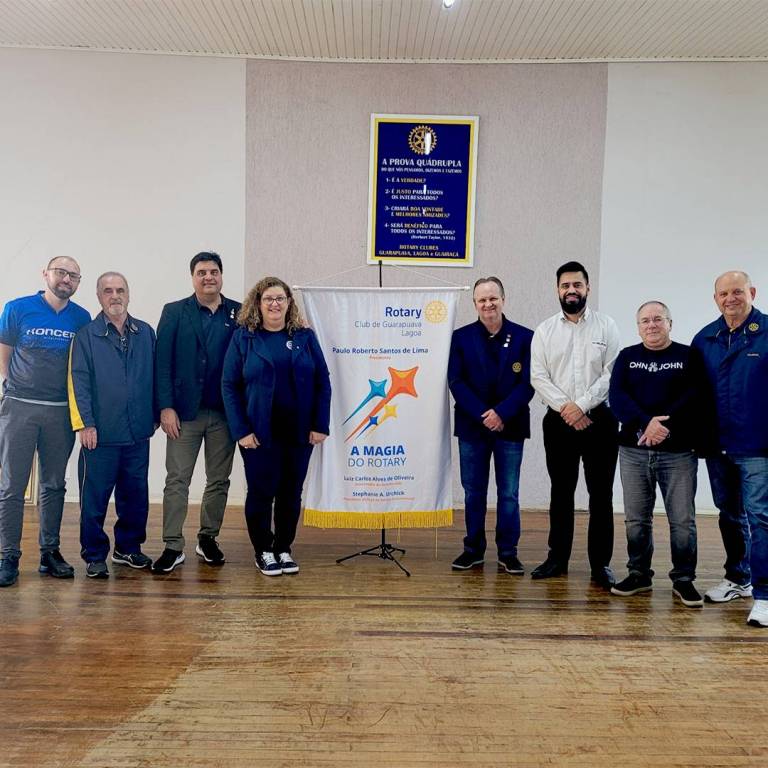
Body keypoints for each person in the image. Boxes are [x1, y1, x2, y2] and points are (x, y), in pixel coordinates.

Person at [222, 276, 331, 576]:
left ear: (288, 303)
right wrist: (241, 430)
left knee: (290, 493)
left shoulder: (304, 337)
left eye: (280, 298)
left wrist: (320, 424)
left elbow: (322, 381)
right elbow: (229, 385)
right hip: (258, 434)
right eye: (268, 298)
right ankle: (263, 550)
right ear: (258, 303)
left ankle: (283, 547)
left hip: (299, 432)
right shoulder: (243, 338)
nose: (274, 304)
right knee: (261, 492)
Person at [0, 257, 91, 587]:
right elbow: (4, 350)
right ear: (46, 274)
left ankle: (49, 552)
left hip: (60, 411)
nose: (66, 279)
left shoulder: (81, 318)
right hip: (19, 407)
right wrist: (11, 384)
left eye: (73, 275)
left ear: (77, 282)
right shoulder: (17, 308)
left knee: (53, 485)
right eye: (61, 272)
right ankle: (8, 555)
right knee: (12, 485)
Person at [530, 261, 620, 588]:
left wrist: (581, 406)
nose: (571, 290)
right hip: (558, 422)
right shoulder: (544, 331)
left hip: (600, 421)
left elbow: (611, 373)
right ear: (557, 290)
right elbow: (538, 377)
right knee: (561, 492)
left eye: (577, 285)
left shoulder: (607, 326)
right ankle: (557, 559)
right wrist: (567, 409)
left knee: (601, 495)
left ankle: (601, 565)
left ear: (587, 288)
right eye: (565, 285)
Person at [609, 301, 703, 607]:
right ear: (638, 327)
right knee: (636, 519)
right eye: (645, 320)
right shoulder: (627, 357)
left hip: (678, 453)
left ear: (670, 323)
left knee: (683, 520)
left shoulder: (688, 356)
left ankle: (684, 579)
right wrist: (645, 423)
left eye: (658, 319)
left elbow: (695, 397)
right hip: (633, 451)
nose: (652, 325)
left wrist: (663, 426)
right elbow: (617, 397)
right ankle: (638, 574)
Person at [152, 252, 241, 574]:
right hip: (184, 414)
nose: (208, 277)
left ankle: (208, 538)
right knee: (177, 480)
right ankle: (172, 545)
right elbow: (162, 363)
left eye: (213, 271)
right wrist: (166, 407)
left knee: (218, 480)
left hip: (224, 414)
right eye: (202, 272)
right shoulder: (174, 312)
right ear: (193, 277)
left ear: (221, 276)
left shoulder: (240, 312)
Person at [692, 270, 768, 627]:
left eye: (737, 291)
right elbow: (692, 394)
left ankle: (765, 595)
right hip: (718, 446)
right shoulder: (705, 338)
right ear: (715, 299)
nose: (730, 299)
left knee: (761, 517)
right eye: (723, 294)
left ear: (751, 292)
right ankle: (739, 579)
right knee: (730, 514)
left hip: (758, 445)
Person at [68, 272, 156, 579]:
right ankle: (94, 555)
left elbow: (156, 376)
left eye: (120, 290)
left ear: (128, 294)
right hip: (100, 435)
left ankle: (128, 548)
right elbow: (79, 382)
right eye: (108, 291)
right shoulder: (86, 336)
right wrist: (85, 424)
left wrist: (155, 415)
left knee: (135, 497)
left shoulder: (145, 332)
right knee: (94, 500)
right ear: (99, 296)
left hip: (137, 433)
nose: (115, 295)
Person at [447, 276, 534, 573]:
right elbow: (456, 381)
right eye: (482, 300)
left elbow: (528, 383)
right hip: (473, 426)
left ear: (503, 300)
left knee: (508, 493)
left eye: (493, 298)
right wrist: (485, 414)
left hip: (511, 426)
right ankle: (473, 549)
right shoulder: (460, 338)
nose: (488, 304)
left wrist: (501, 414)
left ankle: (508, 552)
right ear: (475, 304)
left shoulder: (525, 337)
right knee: (474, 493)